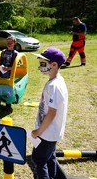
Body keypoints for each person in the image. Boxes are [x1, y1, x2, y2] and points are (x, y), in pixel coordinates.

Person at [31, 47, 68, 179]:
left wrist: (38, 131)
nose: (40, 67)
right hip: (50, 133)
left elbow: (52, 113)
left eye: (43, 64)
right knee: (49, 158)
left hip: (46, 133)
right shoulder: (56, 82)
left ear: (54, 64)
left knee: (38, 161)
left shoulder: (54, 86)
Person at [0, 36, 19, 109]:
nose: (9, 44)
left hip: (10, 75)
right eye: (7, 42)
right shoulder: (3, 52)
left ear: (14, 43)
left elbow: (17, 65)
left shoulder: (15, 53)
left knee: (8, 88)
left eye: (11, 43)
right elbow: (0, 62)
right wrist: (1, 67)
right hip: (1, 73)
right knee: (0, 86)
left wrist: (8, 68)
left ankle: (8, 103)